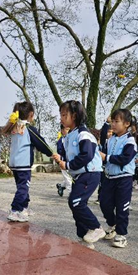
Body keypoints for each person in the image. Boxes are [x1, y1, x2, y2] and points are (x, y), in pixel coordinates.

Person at [52, 100, 105, 248]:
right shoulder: (70, 135)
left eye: (64, 115)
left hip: (90, 173)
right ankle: (84, 237)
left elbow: (86, 155)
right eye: (60, 115)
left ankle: (96, 228)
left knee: (76, 202)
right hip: (80, 175)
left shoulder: (84, 134)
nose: (61, 118)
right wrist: (61, 159)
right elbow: (72, 157)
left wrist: (68, 165)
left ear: (74, 116)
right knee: (75, 204)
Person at [3, 101, 53, 222]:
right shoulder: (28, 128)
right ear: (31, 114)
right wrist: (51, 153)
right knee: (23, 188)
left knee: (22, 186)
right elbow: (40, 143)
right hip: (23, 164)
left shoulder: (14, 126)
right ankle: (15, 210)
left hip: (15, 164)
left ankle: (23, 208)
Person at [98, 109, 137, 248]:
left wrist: (106, 157)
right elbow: (104, 157)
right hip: (109, 177)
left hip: (124, 178)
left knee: (122, 207)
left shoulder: (130, 140)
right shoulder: (110, 139)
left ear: (126, 123)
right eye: (112, 121)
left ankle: (121, 234)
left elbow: (125, 159)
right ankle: (112, 224)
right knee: (104, 203)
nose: (113, 124)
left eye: (116, 121)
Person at [56, 125, 73, 197]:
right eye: (66, 129)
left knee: (70, 177)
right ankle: (70, 194)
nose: (68, 131)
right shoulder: (61, 141)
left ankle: (61, 186)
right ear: (62, 130)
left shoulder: (71, 139)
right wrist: (61, 160)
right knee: (68, 178)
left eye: (69, 129)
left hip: (71, 162)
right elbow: (59, 152)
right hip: (64, 162)